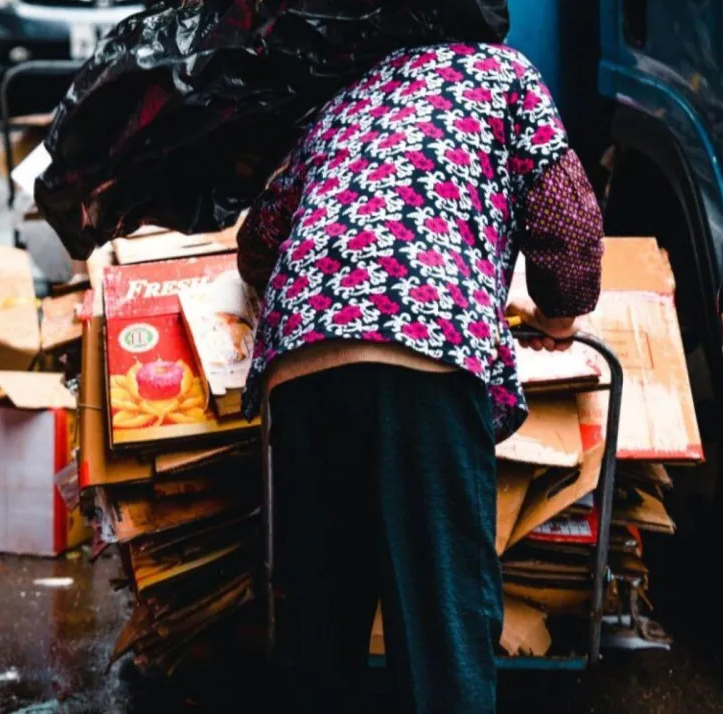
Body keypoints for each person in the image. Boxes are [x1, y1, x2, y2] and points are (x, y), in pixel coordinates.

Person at [236, 42, 603, 713]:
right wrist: (557, 316)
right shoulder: (505, 74)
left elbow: (260, 239)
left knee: (325, 619)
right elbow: (565, 220)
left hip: (301, 358)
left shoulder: (344, 92)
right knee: (441, 615)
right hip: (423, 350)